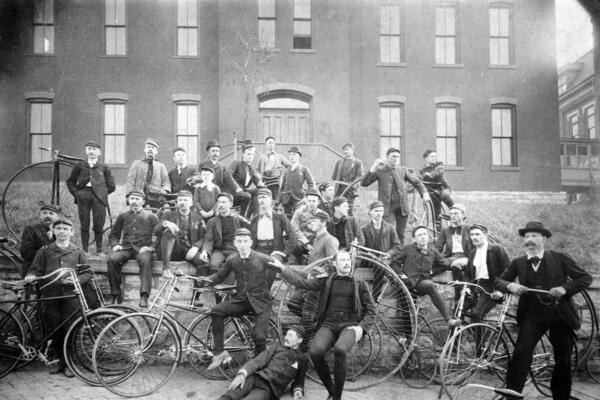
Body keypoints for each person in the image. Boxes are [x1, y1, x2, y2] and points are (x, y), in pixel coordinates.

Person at [495, 221, 592, 400]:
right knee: (521, 353)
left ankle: (560, 396)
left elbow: (585, 278)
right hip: (532, 316)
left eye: (534, 236)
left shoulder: (559, 257)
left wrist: (564, 289)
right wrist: (510, 285)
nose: (529, 240)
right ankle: (512, 394)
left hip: (560, 315)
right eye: (527, 236)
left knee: (562, 358)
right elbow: (499, 281)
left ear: (544, 239)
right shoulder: (519, 262)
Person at [270, 251, 376, 400]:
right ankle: (331, 391)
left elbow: (372, 310)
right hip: (329, 324)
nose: (347, 262)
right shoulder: (326, 281)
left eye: (348, 260)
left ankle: (336, 397)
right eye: (343, 260)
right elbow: (303, 282)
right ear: (335, 264)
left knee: (340, 349)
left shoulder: (360, 284)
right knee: (315, 352)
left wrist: (362, 327)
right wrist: (283, 268)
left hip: (350, 326)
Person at [24, 218, 92, 377]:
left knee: (70, 329)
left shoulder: (77, 252)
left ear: (71, 232)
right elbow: (35, 270)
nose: (62, 231)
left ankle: (69, 363)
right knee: (54, 329)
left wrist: (76, 281)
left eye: (65, 228)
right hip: (51, 296)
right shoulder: (45, 250)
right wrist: (31, 276)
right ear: (53, 231)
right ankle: (59, 361)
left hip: (71, 297)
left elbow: (87, 273)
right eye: (59, 228)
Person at [201, 228, 276, 369]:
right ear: (235, 243)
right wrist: (205, 279)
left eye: (245, 241)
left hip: (262, 303)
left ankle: (259, 367)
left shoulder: (262, 258)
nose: (242, 244)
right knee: (216, 311)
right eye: (239, 241)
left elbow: (280, 269)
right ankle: (219, 352)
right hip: (242, 301)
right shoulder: (232, 259)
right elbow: (219, 276)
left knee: (259, 336)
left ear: (251, 242)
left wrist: (267, 288)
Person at [361, 147, 430, 244]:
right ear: (387, 157)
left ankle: (400, 255)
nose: (396, 158)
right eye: (393, 156)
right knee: (388, 231)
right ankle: (389, 254)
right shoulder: (380, 170)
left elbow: (416, 182)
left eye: (397, 156)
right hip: (387, 208)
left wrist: (425, 193)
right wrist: (373, 168)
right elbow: (364, 183)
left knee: (401, 233)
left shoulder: (403, 170)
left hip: (402, 207)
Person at [218, 326, 308, 400]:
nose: (285, 338)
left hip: (269, 389)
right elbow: (258, 360)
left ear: (299, 340)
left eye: (290, 336)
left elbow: (299, 381)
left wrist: (298, 390)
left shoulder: (302, 359)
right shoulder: (276, 347)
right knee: (230, 395)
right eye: (286, 335)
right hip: (256, 378)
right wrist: (242, 374)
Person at [396, 226, 459, 327]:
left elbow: (445, 264)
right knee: (406, 311)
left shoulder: (432, 251)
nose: (422, 237)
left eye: (425, 234)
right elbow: (395, 263)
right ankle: (409, 339)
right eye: (419, 235)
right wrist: (401, 275)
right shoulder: (407, 249)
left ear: (428, 236)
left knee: (431, 286)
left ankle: (448, 320)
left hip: (422, 283)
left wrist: (432, 272)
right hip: (407, 283)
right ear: (414, 238)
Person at [107, 190, 159, 307]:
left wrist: (151, 247)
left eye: (137, 199)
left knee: (145, 261)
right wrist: (115, 245)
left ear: (143, 201)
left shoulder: (151, 217)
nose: (134, 201)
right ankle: (116, 295)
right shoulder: (123, 216)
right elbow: (114, 234)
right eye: (132, 199)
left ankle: (144, 295)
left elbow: (157, 235)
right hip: (126, 248)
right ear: (128, 200)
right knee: (112, 259)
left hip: (143, 249)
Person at [66, 141, 116, 255]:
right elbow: (70, 182)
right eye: (89, 149)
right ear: (86, 151)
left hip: (99, 198)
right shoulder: (80, 165)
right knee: (84, 223)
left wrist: (102, 193)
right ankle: (84, 250)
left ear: (99, 152)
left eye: (94, 149)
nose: (92, 151)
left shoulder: (104, 167)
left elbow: (112, 185)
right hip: (83, 196)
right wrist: (77, 194)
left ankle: (99, 250)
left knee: (99, 223)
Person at [460, 224, 510, 323]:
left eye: (477, 234)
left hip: (492, 288)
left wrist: (501, 291)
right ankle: (458, 337)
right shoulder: (473, 252)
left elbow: (509, 271)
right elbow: (468, 274)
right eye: (472, 235)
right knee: (458, 310)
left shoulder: (496, 249)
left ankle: (478, 339)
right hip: (476, 286)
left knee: (476, 314)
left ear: (486, 235)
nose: (474, 237)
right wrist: (467, 287)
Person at [153, 190, 207, 278]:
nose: (182, 202)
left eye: (185, 200)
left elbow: (204, 237)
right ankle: (166, 269)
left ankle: (198, 290)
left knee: (203, 262)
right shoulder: (168, 215)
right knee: (168, 231)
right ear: (177, 202)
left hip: (189, 250)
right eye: (180, 200)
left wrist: (196, 247)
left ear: (191, 203)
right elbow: (156, 231)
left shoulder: (198, 218)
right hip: (172, 250)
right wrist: (166, 223)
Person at [361, 200, 402, 300]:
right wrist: (369, 254)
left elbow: (397, 246)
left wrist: (389, 254)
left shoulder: (389, 228)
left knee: (380, 267)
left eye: (381, 211)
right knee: (379, 265)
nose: (379, 213)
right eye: (376, 211)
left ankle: (374, 299)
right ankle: (391, 278)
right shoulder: (364, 229)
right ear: (370, 212)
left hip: (385, 259)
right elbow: (361, 248)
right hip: (370, 260)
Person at [198, 193, 249, 274]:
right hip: (219, 250)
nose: (221, 205)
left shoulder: (239, 220)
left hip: (234, 250)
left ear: (231, 204)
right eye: (219, 202)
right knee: (213, 265)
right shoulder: (212, 221)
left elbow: (250, 233)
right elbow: (208, 239)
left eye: (224, 202)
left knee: (231, 264)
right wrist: (205, 251)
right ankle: (213, 285)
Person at [435, 203, 474, 301]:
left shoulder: (470, 229)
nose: (453, 216)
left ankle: (459, 295)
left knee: (456, 264)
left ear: (463, 216)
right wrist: (431, 257)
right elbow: (438, 247)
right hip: (451, 256)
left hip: (466, 256)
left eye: (456, 213)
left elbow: (476, 246)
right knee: (437, 262)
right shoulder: (446, 229)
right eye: (451, 214)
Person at [249, 188, 296, 262]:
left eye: (264, 197)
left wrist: (285, 253)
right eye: (259, 198)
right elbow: (251, 237)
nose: (261, 200)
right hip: (259, 249)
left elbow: (292, 235)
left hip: (275, 250)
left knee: (273, 263)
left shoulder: (280, 216)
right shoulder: (254, 219)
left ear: (271, 200)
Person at [125, 138, 170, 209]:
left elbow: (166, 181)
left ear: (156, 151)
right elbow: (130, 181)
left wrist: (165, 190)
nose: (150, 149)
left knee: (158, 216)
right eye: (148, 147)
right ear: (144, 150)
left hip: (156, 197)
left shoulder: (161, 166)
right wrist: (128, 195)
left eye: (153, 148)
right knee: (137, 215)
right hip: (139, 195)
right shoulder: (136, 164)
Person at [20, 204, 59, 278]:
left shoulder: (61, 231)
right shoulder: (31, 229)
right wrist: (48, 254)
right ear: (40, 216)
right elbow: (26, 252)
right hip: (34, 272)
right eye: (44, 213)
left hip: (55, 272)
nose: (48, 216)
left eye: (51, 213)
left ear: (57, 217)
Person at [278, 146, 315, 216]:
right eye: (291, 155)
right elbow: (282, 187)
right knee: (287, 219)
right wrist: (278, 200)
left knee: (298, 217)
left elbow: (311, 184)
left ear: (299, 157)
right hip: (286, 200)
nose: (292, 157)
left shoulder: (303, 169)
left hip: (298, 199)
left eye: (294, 155)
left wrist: (307, 196)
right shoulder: (286, 170)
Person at [229, 144, 263, 218]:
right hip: (233, 192)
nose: (250, 156)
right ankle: (243, 216)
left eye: (252, 155)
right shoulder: (236, 163)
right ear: (243, 154)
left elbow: (255, 179)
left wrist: (260, 183)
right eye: (248, 154)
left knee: (259, 191)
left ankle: (256, 215)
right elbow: (228, 174)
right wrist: (236, 187)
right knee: (247, 195)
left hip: (243, 192)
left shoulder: (250, 169)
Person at [290, 189, 323, 263]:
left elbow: (322, 231)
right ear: (306, 201)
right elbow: (295, 229)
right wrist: (306, 243)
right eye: (309, 201)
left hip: (315, 241)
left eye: (314, 201)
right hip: (301, 241)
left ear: (318, 202)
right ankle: (299, 260)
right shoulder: (299, 212)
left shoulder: (321, 214)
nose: (311, 203)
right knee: (296, 245)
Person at [419, 149, 454, 220]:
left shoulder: (439, 164)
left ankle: (455, 210)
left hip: (443, 188)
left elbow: (438, 172)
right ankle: (438, 230)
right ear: (426, 158)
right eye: (432, 156)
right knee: (436, 215)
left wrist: (427, 175)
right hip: (433, 192)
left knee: (445, 195)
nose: (434, 158)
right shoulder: (422, 170)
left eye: (435, 156)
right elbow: (421, 182)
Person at [331, 143, 364, 216]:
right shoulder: (339, 162)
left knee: (349, 210)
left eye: (347, 149)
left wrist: (353, 184)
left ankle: (349, 224)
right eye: (344, 150)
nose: (345, 152)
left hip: (350, 190)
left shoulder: (357, 162)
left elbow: (359, 177)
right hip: (339, 189)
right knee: (337, 209)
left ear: (352, 150)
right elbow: (334, 177)